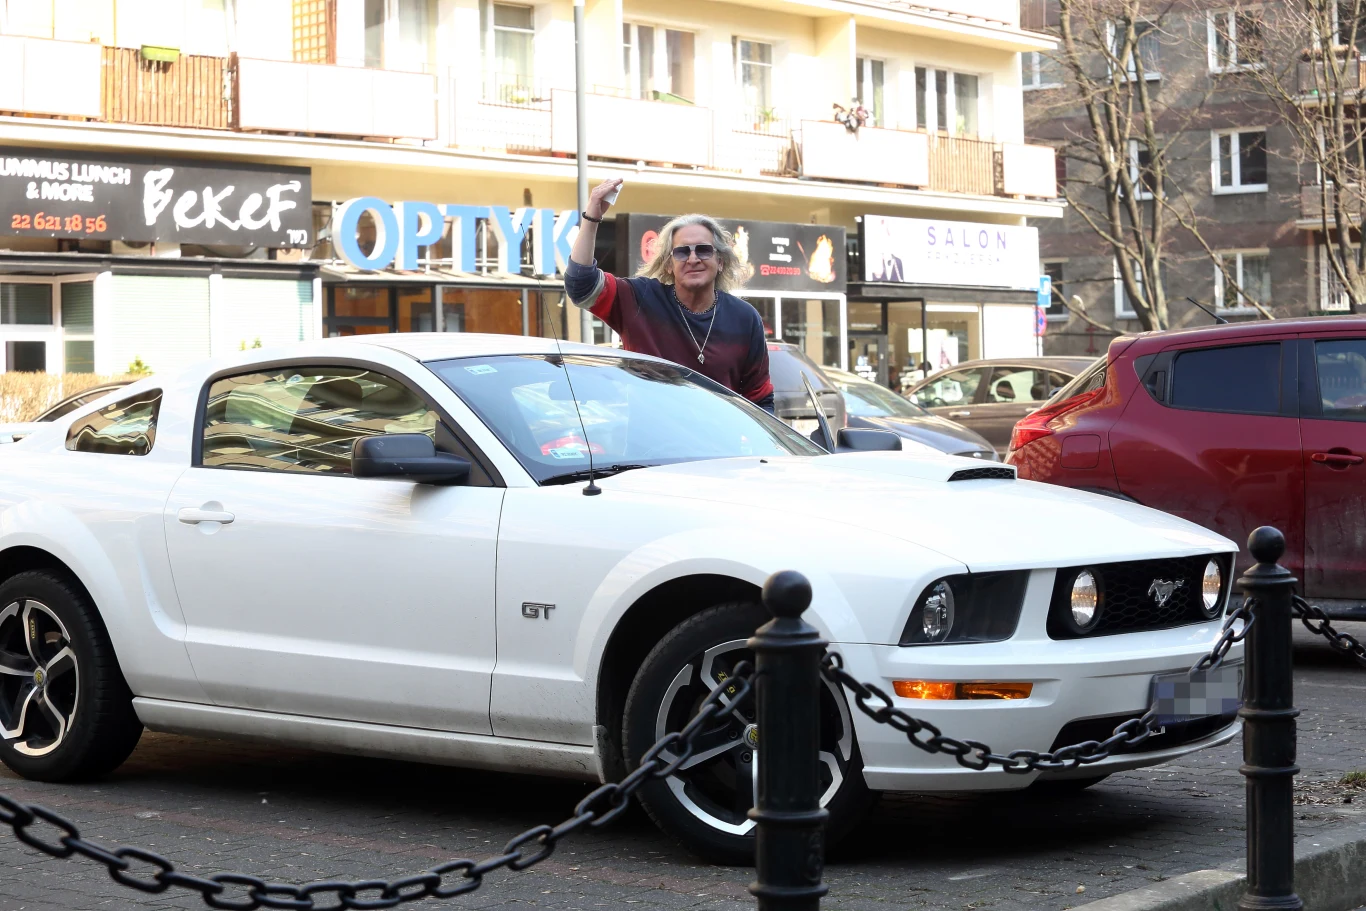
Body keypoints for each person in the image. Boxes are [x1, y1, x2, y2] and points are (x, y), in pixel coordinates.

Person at [564, 178, 775, 412]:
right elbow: (580, 285)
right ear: (668, 265)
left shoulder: (744, 318)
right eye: (682, 252)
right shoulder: (641, 300)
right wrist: (592, 216)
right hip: (650, 446)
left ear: (721, 261)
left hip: (723, 448)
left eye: (704, 250)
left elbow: (760, 400)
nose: (693, 259)